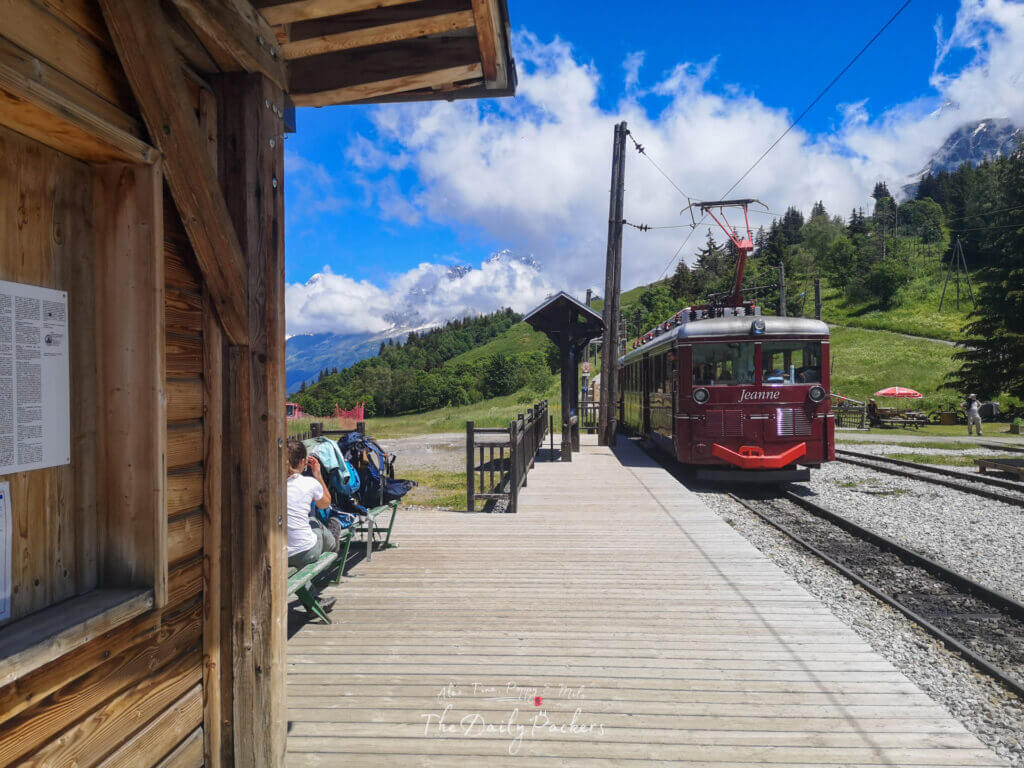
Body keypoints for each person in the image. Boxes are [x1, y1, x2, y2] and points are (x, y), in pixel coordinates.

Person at [286, 438, 337, 569]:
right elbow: (325, 504)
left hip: (278, 554)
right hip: (305, 552)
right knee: (314, 522)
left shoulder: (269, 485)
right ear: (303, 462)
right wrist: (318, 475)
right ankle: (333, 544)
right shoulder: (309, 483)